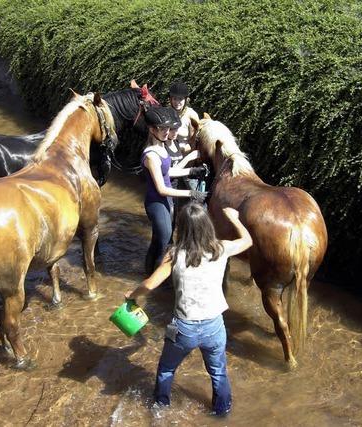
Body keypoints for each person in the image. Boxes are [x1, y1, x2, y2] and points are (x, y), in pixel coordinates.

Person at [125, 203, 253, 416]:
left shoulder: (174, 255)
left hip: (183, 328)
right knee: (218, 373)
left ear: (182, 228)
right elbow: (248, 241)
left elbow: (149, 284)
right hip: (214, 326)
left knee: (166, 369)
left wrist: (131, 295)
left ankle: (160, 410)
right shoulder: (220, 248)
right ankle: (222, 414)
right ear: (207, 226)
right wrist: (235, 218)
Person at [141, 106, 208, 275]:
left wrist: (191, 172)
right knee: (165, 244)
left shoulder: (162, 148)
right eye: (162, 129)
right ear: (152, 129)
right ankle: (156, 285)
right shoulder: (151, 155)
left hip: (165, 201)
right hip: (157, 203)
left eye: (167, 128)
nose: (166, 132)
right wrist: (192, 194)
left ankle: (147, 274)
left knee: (157, 241)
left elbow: (168, 172)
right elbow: (162, 189)